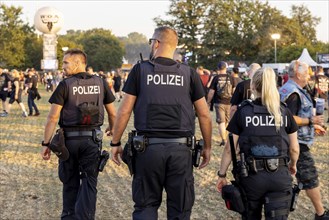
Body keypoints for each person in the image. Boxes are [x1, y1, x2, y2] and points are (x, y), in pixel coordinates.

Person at [110, 26, 212, 220]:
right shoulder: (189, 74)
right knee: (180, 210)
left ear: (156, 43)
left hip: (147, 151)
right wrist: (207, 146)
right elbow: (205, 115)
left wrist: (115, 143)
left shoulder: (140, 70)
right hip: (181, 151)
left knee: (146, 207)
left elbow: (124, 110)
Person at [40, 49, 116, 220]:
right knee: (89, 182)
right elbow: (113, 113)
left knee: (70, 182)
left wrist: (46, 144)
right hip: (92, 141)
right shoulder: (101, 83)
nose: (63, 66)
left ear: (77, 63)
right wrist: (112, 128)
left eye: (66, 62)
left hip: (69, 142)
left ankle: (68, 216)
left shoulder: (65, 85)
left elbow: (53, 117)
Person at [217, 67, 299, 220]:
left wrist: (222, 174)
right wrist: (292, 166)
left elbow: (229, 148)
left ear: (253, 86)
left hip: (251, 178)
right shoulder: (284, 112)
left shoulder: (243, 111)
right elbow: (294, 148)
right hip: (280, 176)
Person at [280, 60, 329, 220]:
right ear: (298, 73)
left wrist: (312, 127)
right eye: (307, 72)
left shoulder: (289, 89)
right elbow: (289, 118)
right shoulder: (293, 93)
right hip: (296, 144)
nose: (309, 76)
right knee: (310, 178)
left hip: (291, 141)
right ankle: (321, 214)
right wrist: (311, 121)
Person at [207, 61, 232, 146]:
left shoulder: (216, 78)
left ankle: (224, 139)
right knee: (227, 121)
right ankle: (227, 138)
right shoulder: (231, 77)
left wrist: (208, 101)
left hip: (219, 102)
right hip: (229, 102)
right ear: (226, 68)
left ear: (218, 68)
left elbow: (211, 91)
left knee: (221, 121)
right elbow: (234, 90)